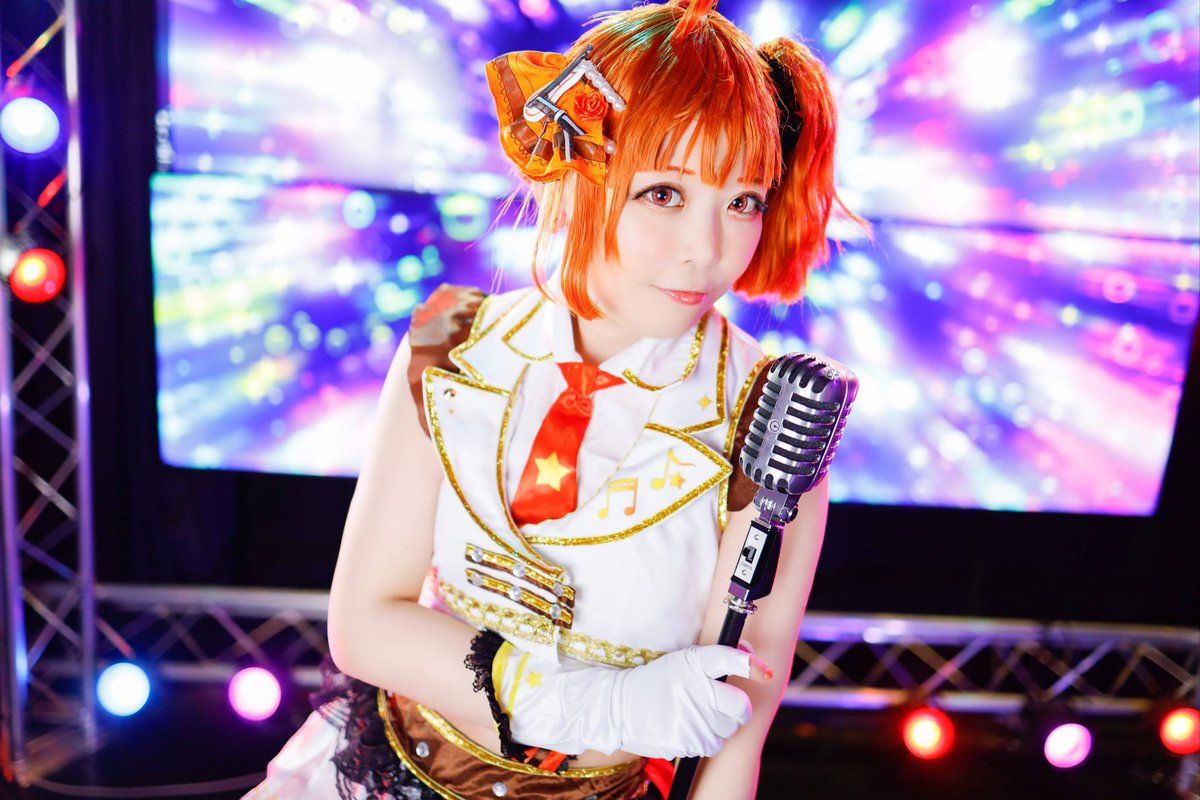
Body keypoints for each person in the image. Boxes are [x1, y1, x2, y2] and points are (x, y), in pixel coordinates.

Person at [245, 1, 859, 797]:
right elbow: (364, 624)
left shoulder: (768, 414)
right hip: (380, 772)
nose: (707, 249)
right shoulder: (452, 340)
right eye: (664, 193)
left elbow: (740, 718)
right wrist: (594, 704)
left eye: (743, 200)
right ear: (575, 173)